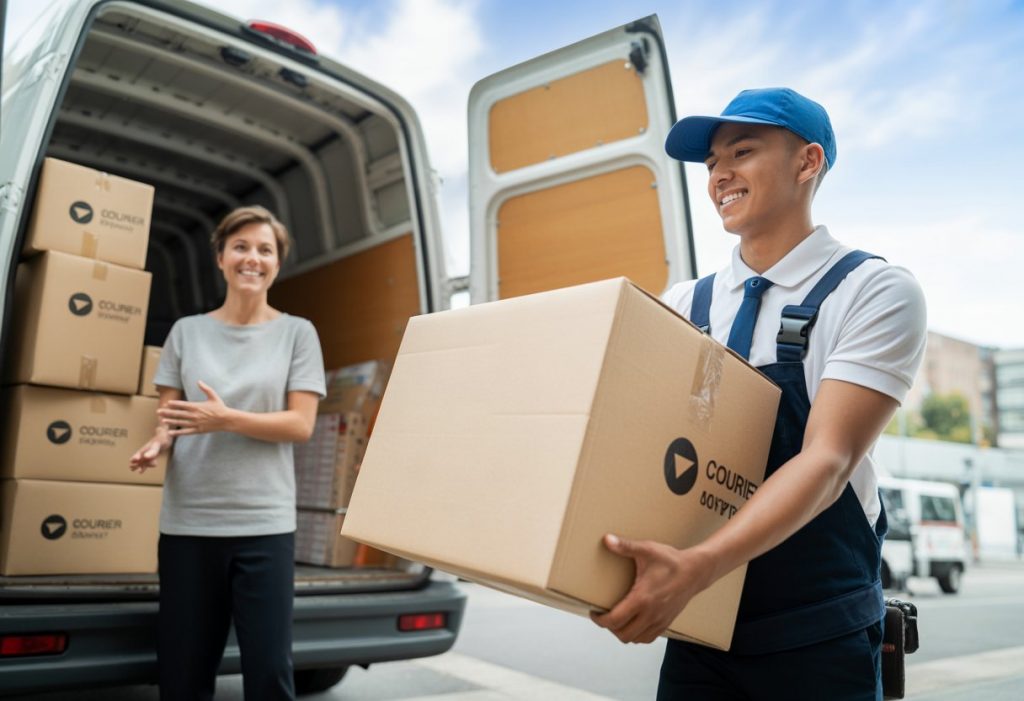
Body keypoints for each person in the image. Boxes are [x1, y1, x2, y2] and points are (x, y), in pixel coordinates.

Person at [591, 88, 927, 700]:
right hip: (699, 636)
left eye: (742, 152)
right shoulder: (684, 303)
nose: (720, 174)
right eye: (712, 162)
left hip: (818, 640)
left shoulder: (872, 291)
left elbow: (826, 463)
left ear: (807, 162)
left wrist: (697, 567)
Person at [130, 205, 326, 701]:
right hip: (189, 527)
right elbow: (170, 417)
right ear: (220, 257)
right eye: (240, 247)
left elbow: (300, 425)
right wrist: (159, 441)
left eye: (265, 250)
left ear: (277, 263)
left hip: (264, 527)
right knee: (183, 669)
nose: (252, 259)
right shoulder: (186, 332)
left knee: (268, 672)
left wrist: (225, 418)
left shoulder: (297, 334)